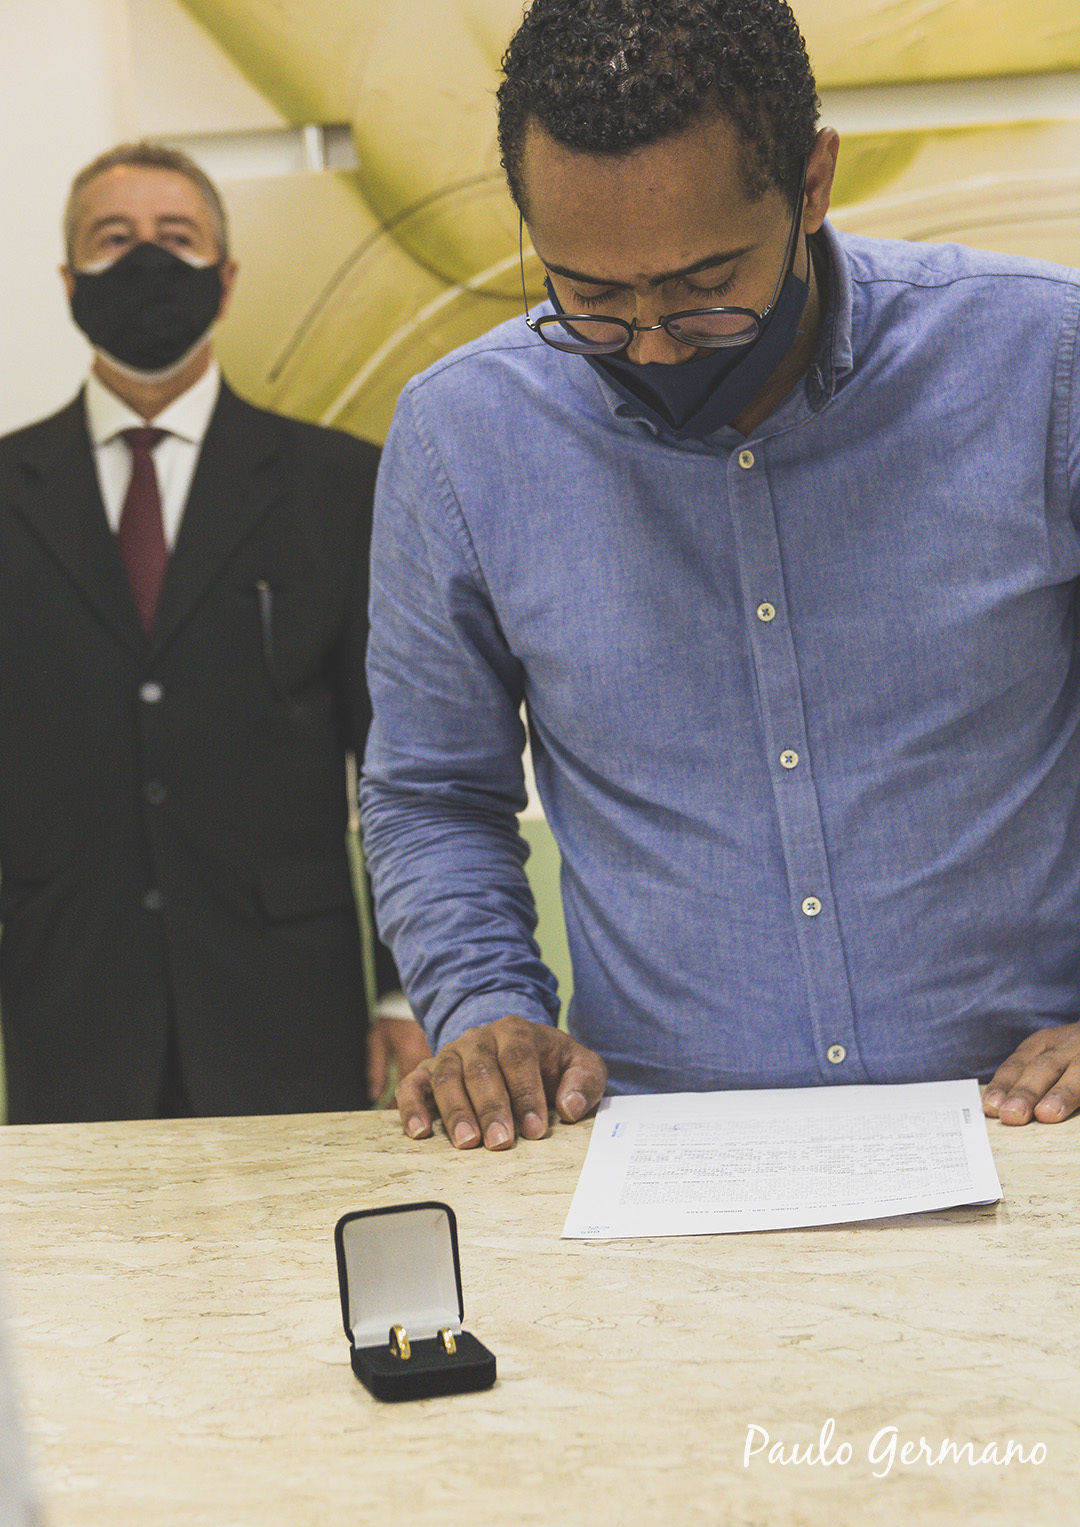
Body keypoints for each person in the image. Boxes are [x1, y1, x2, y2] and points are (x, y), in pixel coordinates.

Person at [360, 0, 1080, 1150]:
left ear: (811, 183)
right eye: (589, 296)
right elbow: (434, 792)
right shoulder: (463, 438)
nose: (649, 342)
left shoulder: (1042, 364)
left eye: (704, 286)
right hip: (661, 1155)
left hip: (1039, 1133)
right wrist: (489, 1013)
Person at [0, 143, 428, 1123]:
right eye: (115, 241)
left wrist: (404, 989)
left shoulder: (340, 486)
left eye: (176, 238)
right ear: (69, 282)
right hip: (67, 1006)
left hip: (292, 1011)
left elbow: (401, 766)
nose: (147, 262)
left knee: (297, 1276)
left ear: (226, 278)